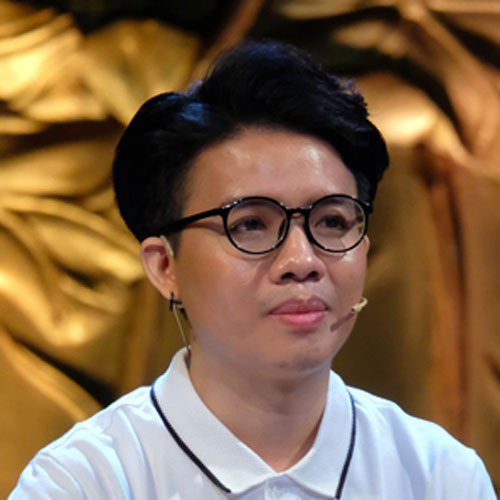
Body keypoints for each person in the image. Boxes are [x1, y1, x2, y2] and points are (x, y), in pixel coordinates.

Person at [9, 39, 496, 500]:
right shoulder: (84, 482)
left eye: (331, 221)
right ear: (164, 266)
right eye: (250, 225)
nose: (302, 261)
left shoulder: (439, 476)